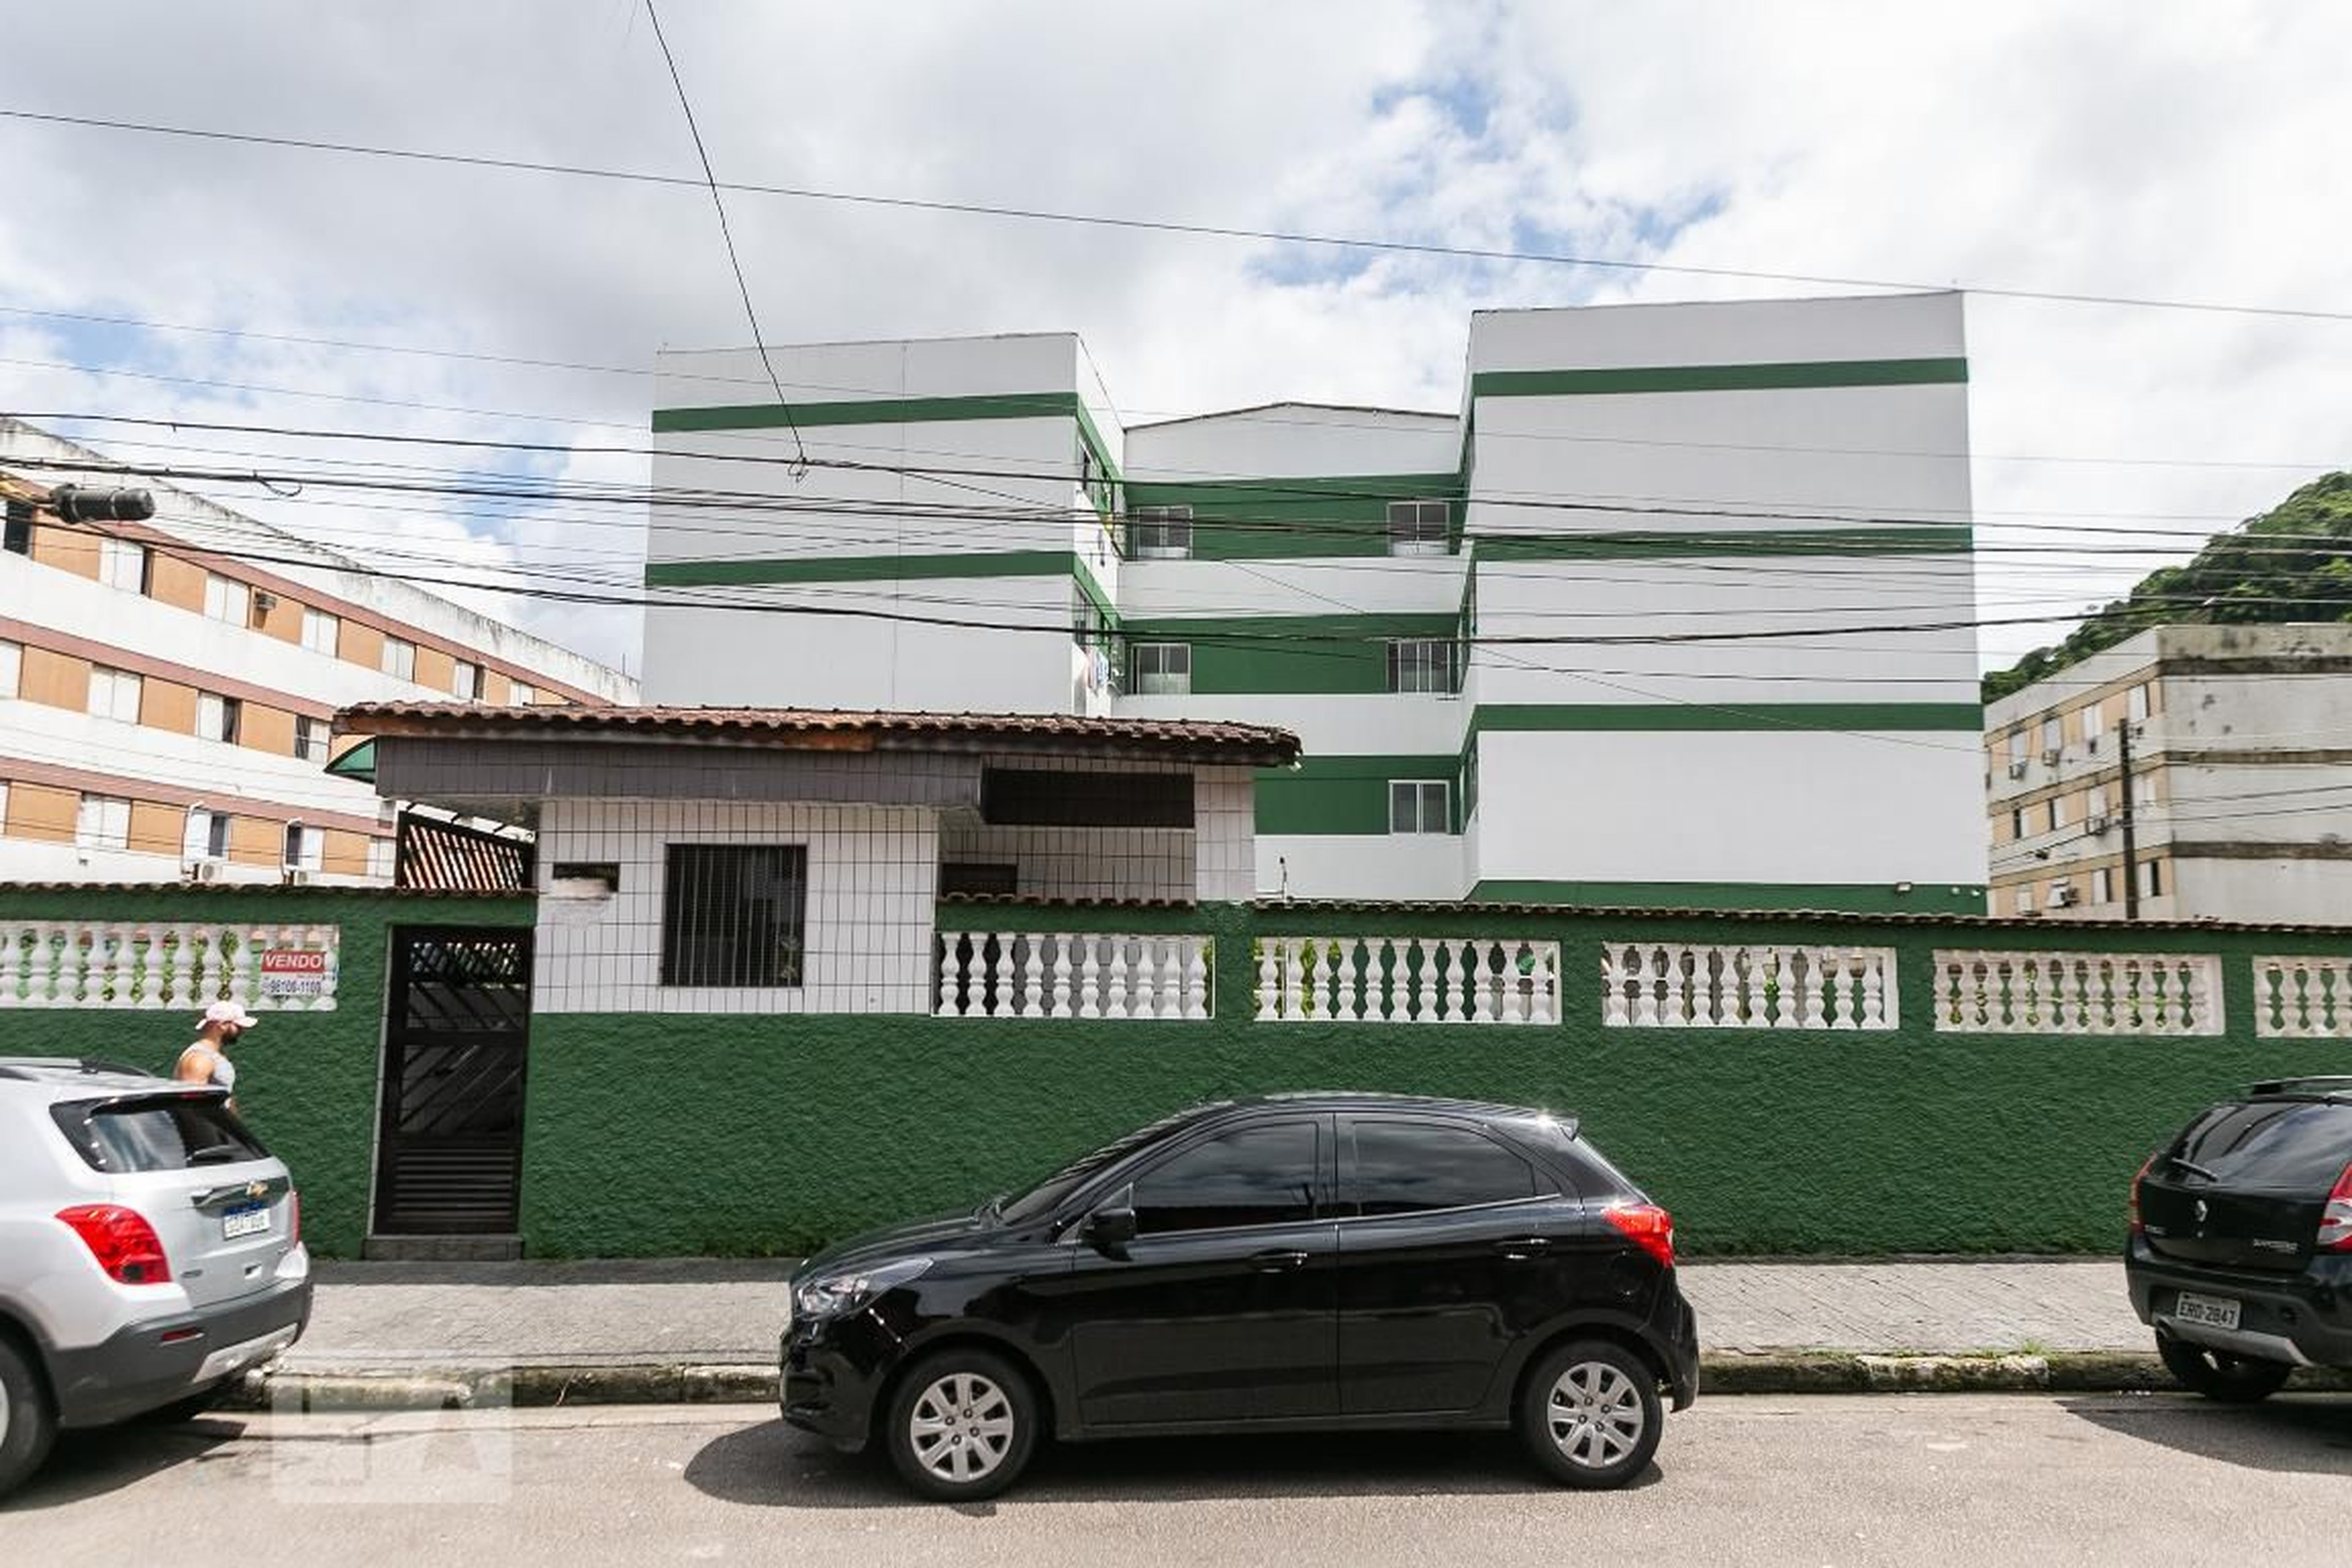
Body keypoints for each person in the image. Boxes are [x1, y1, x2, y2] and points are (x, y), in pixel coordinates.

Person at [176, 1000, 255, 1103]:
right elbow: (191, 1108)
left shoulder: (214, 1054)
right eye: (238, 1026)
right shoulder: (200, 1059)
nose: (242, 1031)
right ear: (222, 1025)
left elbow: (226, 1100)